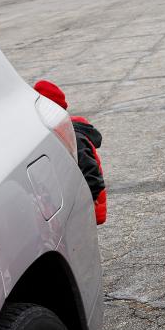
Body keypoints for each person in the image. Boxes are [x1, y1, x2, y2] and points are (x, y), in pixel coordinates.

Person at [33, 79, 107, 225]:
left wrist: (82, 205)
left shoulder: (74, 138)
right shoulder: (55, 134)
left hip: (85, 207)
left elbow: (91, 175)